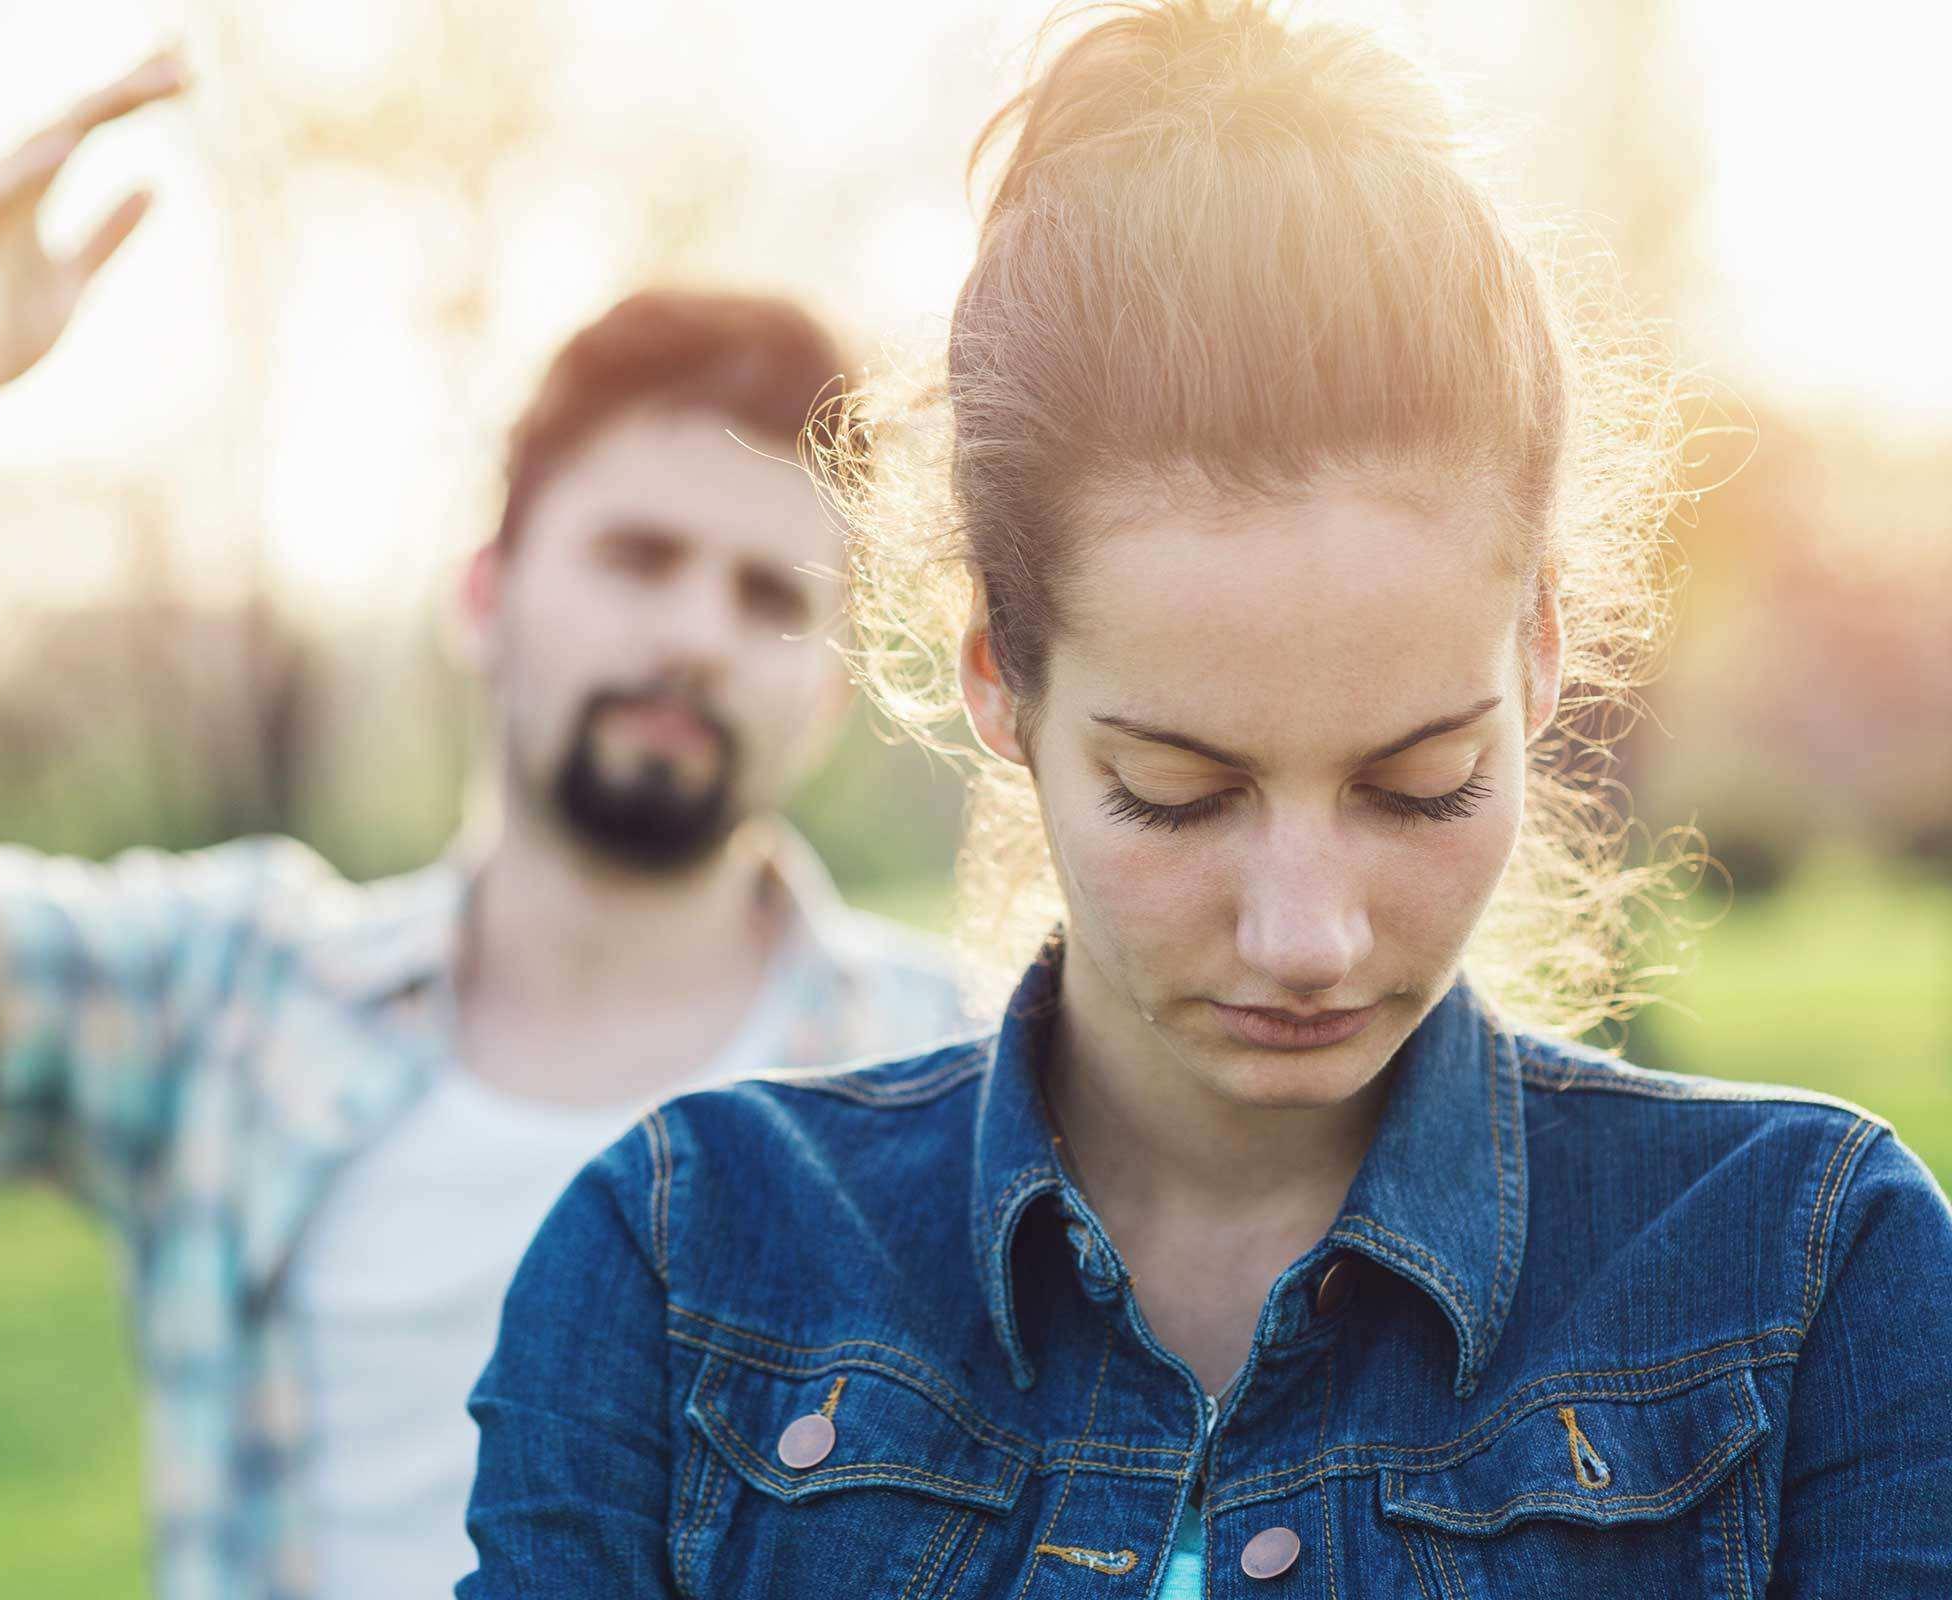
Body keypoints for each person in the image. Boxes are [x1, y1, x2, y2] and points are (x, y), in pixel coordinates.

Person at [461, 3, 1952, 1594]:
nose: (1308, 934)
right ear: (996, 677)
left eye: (1420, 783)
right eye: (1175, 793)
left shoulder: (1811, 1274)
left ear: (1541, 656)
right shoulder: (681, 1266)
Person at [0, 52, 972, 1600]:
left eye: (768, 596)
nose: (692, 630)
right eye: (637, 554)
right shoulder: (232, 1003)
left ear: (827, 692)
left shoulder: (956, 1084)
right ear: (483, 594)